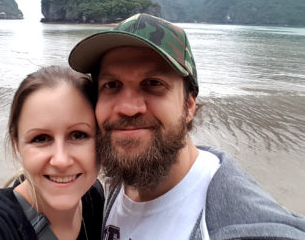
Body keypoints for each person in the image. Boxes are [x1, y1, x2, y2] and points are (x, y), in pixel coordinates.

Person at [68, 13, 305, 240]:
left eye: (153, 83)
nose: (128, 108)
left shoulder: (241, 226)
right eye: (112, 85)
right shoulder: (120, 181)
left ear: (189, 105)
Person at [0, 66, 104, 240]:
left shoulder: (93, 197)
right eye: (41, 138)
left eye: (78, 135)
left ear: (103, 140)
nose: (61, 160)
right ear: (16, 144)